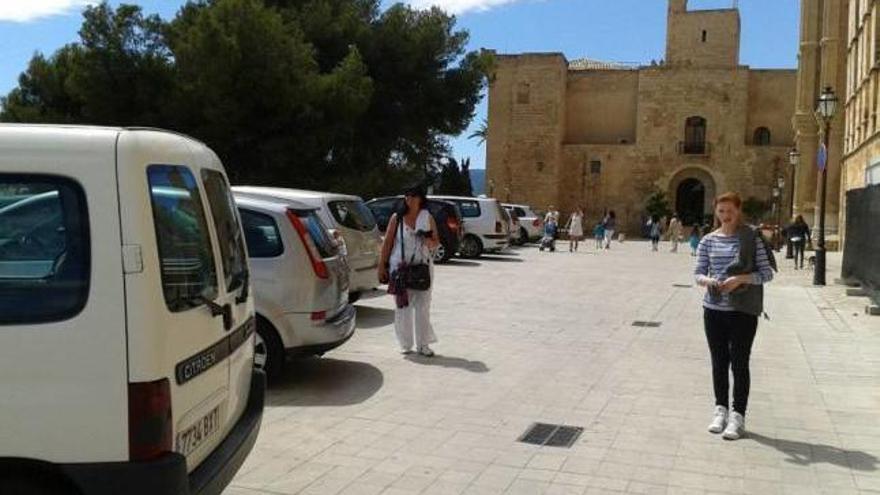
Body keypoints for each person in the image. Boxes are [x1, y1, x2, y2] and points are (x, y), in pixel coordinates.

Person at [694, 192, 775, 441]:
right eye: (721, 212)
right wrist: (710, 281)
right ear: (715, 212)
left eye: (730, 212)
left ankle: (738, 415)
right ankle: (721, 410)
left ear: (738, 211)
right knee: (719, 362)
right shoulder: (708, 240)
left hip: (742, 311)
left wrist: (739, 279)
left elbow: (767, 273)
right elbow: (698, 273)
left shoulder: (751, 238)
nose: (725, 217)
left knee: (739, 363)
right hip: (714, 309)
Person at [378, 184, 440, 357]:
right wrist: (381, 265)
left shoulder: (427, 218)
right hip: (401, 268)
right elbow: (387, 243)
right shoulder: (397, 218)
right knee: (402, 306)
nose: (409, 199)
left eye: (412, 196)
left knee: (423, 307)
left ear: (420, 198)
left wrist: (426, 238)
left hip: (422, 267)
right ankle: (405, 344)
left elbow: (436, 242)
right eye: (406, 196)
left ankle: (423, 344)